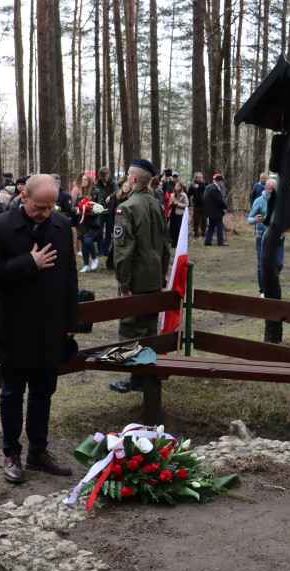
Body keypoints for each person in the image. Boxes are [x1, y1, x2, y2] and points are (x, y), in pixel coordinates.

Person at [0, 174, 78, 484]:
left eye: (51, 206)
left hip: (51, 326)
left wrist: (70, 322)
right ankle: (11, 453)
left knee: (44, 392)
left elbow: (69, 276)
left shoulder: (62, 226)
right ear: (23, 197)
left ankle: (38, 450)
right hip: (15, 325)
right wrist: (28, 262)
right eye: (40, 206)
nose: (45, 213)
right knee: (12, 393)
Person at [109, 158, 171, 394]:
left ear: (133, 178)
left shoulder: (126, 207)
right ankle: (144, 378)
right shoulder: (157, 205)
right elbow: (166, 248)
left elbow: (123, 253)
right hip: (153, 280)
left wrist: (124, 286)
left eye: (127, 175)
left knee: (132, 331)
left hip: (135, 282)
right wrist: (161, 279)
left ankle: (136, 380)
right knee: (148, 330)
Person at [249, 178, 283, 296]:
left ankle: (271, 283)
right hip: (262, 238)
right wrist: (254, 220)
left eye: (275, 189)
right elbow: (249, 218)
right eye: (271, 189)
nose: (273, 192)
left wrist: (282, 234)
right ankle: (263, 290)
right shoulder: (259, 201)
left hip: (277, 238)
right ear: (266, 189)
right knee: (261, 265)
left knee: (279, 263)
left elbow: (284, 220)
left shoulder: (281, 201)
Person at [72, 172, 102, 273]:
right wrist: (78, 209)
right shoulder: (80, 192)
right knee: (84, 243)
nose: (83, 181)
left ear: (89, 181)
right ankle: (86, 265)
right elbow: (76, 205)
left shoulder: (96, 191)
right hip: (82, 222)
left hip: (92, 222)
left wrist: (90, 210)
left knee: (89, 241)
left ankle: (94, 258)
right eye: (82, 180)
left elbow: (100, 206)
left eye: (85, 180)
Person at [203, 174, 228, 246]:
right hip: (216, 212)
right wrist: (225, 207)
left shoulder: (208, 187)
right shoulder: (215, 189)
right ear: (219, 182)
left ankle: (207, 241)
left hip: (210, 211)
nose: (222, 184)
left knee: (211, 226)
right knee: (220, 226)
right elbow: (219, 200)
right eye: (222, 182)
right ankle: (220, 241)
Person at [168, 180, 189, 248]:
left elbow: (186, 204)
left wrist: (178, 204)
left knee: (178, 229)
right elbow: (169, 205)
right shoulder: (172, 194)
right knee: (172, 228)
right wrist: (171, 203)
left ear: (181, 187)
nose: (177, 187)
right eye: (176, 186)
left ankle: (179, 243)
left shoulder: (183, 195)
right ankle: (173, 243)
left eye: (178, 186)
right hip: (173, 213)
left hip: (180, 214)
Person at [189, 171, 207, 239]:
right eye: (199, 177)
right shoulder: (192, 186)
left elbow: (205, 189)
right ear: (196, 178)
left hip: (205, 205)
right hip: (196, 206)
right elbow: (188, 195)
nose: (201, 179)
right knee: (196, 220)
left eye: (201, 177)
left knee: (204, 220)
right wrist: (189, 204)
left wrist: (199, 187)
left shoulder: (205, 183)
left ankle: (203, 233)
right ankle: (196, 233)